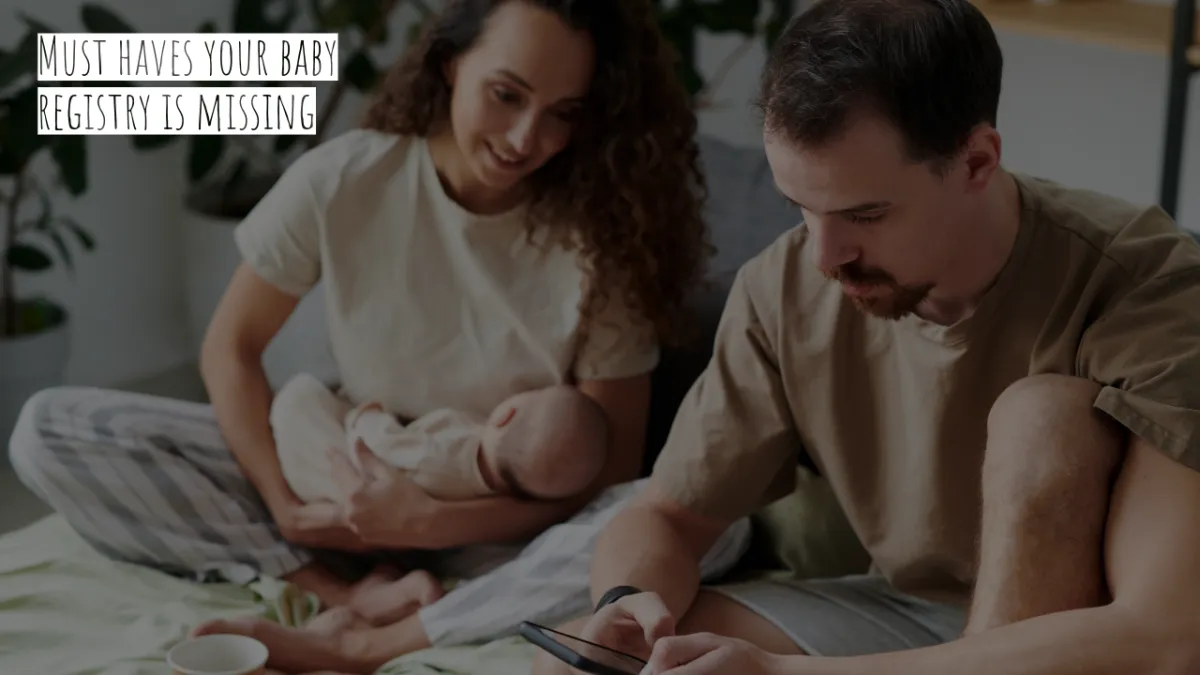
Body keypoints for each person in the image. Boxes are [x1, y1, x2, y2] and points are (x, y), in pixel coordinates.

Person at [8, 0, 751, 670]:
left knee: (707, 524)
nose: (530, 136)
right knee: (51, 428)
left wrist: (436, 518)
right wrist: (292, 507)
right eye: (506, 95)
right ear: (452, 62)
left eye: (565, 112)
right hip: (339, 490)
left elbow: (610, 472)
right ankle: (337, 594)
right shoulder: (346, 178)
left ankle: (375, 642)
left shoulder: (604, 239)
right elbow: (229, 349)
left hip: (503, 530)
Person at [531, 1, 1200, 674]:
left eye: (865, 214)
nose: (827, 256)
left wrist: (782, 674)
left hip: (1087, 640)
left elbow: (1165, 638)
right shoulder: (785, 287)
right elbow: (667, 519)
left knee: (1044, 416)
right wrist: (627, 598)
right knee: (578, 662)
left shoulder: (1145, 283)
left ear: (976, 161)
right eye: (801, 207)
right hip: (903, 614)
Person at [271, 374, 611, 505]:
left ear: (506, 414)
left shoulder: (445, 449)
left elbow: (382, 447)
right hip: (392, 504)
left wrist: (368, 418)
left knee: (297, 398)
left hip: (349, 480)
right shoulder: (490, 487)